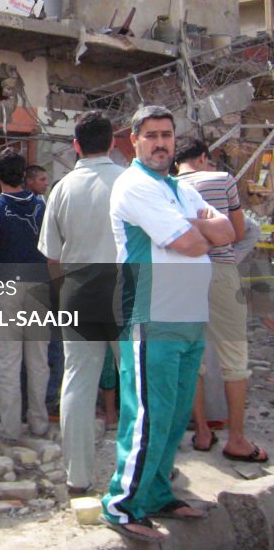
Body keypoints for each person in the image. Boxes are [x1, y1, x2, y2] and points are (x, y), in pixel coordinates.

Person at [100, 105, 235, 543]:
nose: (161, 143)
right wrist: (202, 229)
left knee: (175, 416)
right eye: (152, 135)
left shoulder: (175, 187)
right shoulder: (134, 186)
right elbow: (193, 242)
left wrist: (203, 228)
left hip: (189, 317)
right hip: (151, 315)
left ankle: (157, 494)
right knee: (147, 416)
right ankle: (121, 505)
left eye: (167, 135)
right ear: (134, 141)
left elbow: (228, 231)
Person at [37, 110, 125, 495]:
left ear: (75, 146)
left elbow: (51, 255)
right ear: (112, 143)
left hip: (78, 289)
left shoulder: (61, 188)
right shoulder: (129, 182)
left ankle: (78, 478)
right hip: (127, 288)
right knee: (137, 381)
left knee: (77, 382)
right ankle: (141, 473)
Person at [173, 137, 267, 463]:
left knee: (193, 359)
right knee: (234, 359)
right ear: (203, 157)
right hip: (220, 272)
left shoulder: (166, 186)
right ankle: (237, 439)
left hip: (183, 274)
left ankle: (201, 432)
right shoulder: (221, 179)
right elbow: (238, 232)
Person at [0, 149, 50, 442]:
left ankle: (10, 428)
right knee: (38, 358)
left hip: (7, 286)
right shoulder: (41, 206)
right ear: (24, 176)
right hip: (39, 285)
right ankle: (39, 422)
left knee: (8, 359)